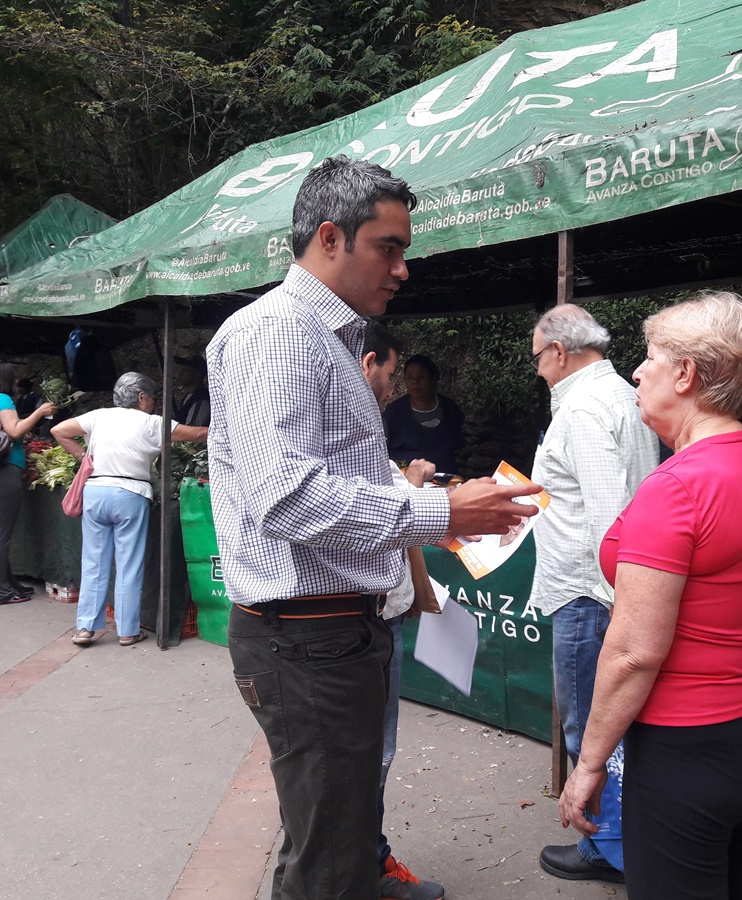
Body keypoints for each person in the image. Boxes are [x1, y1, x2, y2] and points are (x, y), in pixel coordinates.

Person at [206, 154, 539, 900]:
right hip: (306, 638)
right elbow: (284, 496)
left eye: (403, 250)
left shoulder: (327, 338)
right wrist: (443, 512)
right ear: (330, 238)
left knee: (341, 828)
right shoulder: (279, 333)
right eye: (388, 247)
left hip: (333, 632)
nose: (402, 269)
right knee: (323, 858)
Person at [557, 292, 742, 900]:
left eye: (650, 358)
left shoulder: (677, 489)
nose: (637, 372)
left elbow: (633, 652)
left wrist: (588, 766)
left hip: (687, 745)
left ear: (687, 375)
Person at [529, 304, 659, 884]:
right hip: (605, 590)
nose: (537, 371)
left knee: (591, 729)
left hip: (589, 592)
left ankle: (608, 852)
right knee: (614, 725)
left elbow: (609, 517)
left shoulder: (583, 409)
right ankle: (622, 843)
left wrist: (616, 600)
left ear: (559, 351)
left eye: (537, 358)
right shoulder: (622, 397)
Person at [360, 320, 445, 900]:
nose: (396, 387)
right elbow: (373, 515)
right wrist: (419, 493)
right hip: (358, 625)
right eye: (393, 375)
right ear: (368, 365)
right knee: (369, 750)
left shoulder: (352, 426)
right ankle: (363, 867)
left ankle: (361, 859)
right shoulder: (349, 428)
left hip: (366, 619)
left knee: (361, 752)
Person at [51, 372, 208, 646]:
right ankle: (127, 631)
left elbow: (58, 430)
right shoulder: (151, 423)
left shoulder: (99, 416)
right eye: (152, 398)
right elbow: (196, 434)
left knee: (93, 562)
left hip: (96, 492)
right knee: (128, 565)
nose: (153, 403)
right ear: (141, 397)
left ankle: (85, 628)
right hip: (129, 494)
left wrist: (84, 457)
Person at [0, 362, 57, 606]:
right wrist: (39, 413)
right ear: (6, 379)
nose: (17, 382)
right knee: (0, 537)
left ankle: (8, 584)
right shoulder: (2, 400)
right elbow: (14, 430)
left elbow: (7, 433)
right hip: (0, 474)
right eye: (14, 378)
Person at [383, 355, 465, 474]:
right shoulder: (394, 413)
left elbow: (461, 445)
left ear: (432, 379)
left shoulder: (449, 408)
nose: (415, 382)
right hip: (407, 480)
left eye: (421, 376)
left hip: (447, 478)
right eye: (410, 377)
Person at [174, 355, 211, 427]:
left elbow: (190, 431)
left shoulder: (201, 400)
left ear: (197, 374)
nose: (180, 374)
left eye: (185, 370)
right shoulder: (189, 396)